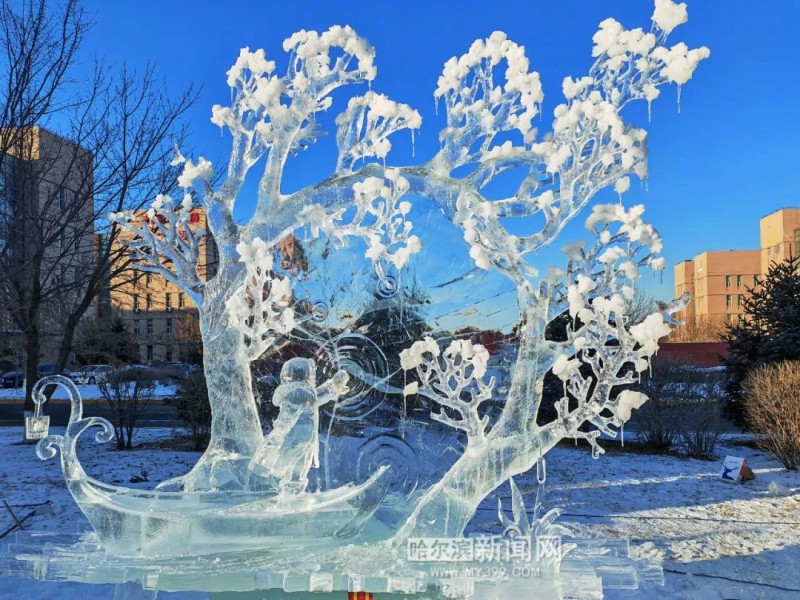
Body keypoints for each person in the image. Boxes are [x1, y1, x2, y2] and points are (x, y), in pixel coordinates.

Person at [245, 357, 349, 494]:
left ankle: (289, 492)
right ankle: (273, 488)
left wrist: (334, 386)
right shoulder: (299, 393)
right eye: (311, 372)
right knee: (286, 464)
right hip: (296, 439)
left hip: (303, 440)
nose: (313, 375)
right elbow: (288, 416)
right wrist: (280, 432)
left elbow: (318, 396)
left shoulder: (305, 392)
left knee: (298, 468)